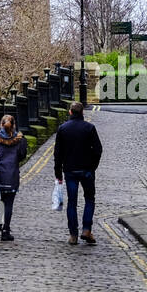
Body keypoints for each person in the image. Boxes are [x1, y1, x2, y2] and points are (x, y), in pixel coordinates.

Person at [53, 101, 103, 245]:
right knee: (89, 199)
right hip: (87, 170)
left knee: (72, 202)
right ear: (82, 113)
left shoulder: (63, 129)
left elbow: (58, 153)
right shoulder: (89, 128)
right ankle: (87, 229)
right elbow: (98, 149)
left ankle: (73, 235)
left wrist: (58, 172)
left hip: (70, 170)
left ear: (70, 112)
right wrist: (93, 166)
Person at [0, 114, 28, 242]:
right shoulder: (20, 139)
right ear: (14, 125)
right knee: (9, 203)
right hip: (12, 174)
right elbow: (22, 155)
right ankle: (6, 230)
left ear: (1, 124)